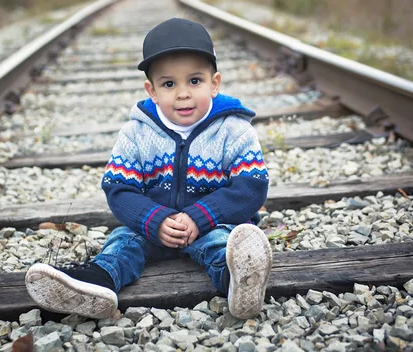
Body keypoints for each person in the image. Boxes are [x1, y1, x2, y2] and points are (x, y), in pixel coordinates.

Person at [26, 17, 273, 320]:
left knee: (223, 246)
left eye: (194, 81)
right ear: (152, 91)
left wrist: (201, 216)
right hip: (152, 229)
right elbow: (119, 188)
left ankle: (239, 281)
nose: (182, 93)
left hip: (212, 224)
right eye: (169, 84)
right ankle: (95, 285)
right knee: (122, 244)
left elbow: (252, 185)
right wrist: (154, 220)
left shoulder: (233, 129)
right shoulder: (137, 133)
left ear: (214, 84)